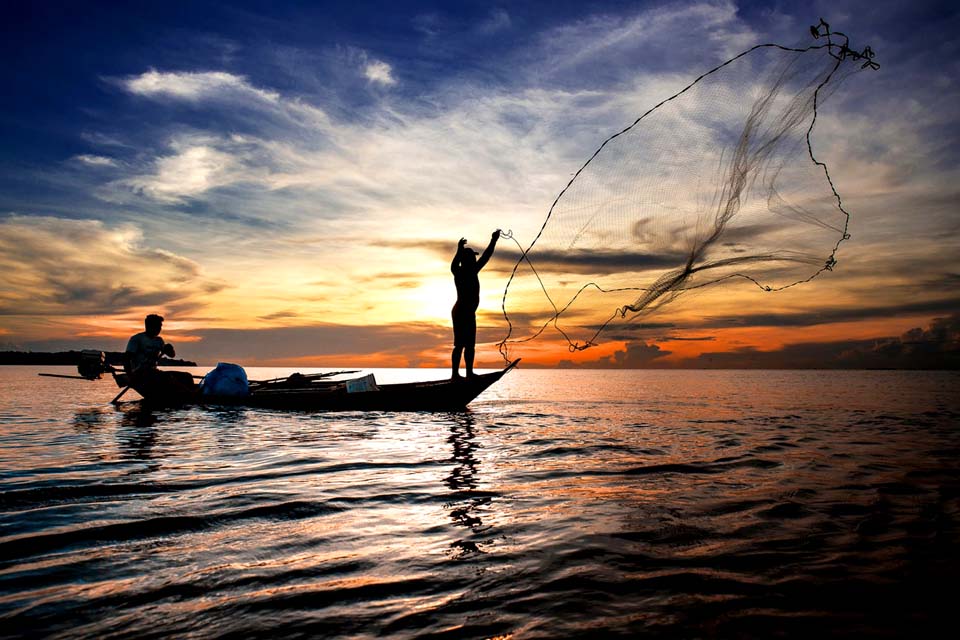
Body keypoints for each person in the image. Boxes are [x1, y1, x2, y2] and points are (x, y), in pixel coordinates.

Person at [451, 230, 500, 378]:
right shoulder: (461, 272)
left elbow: (486, 256)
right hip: (461, 312)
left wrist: (493, 240)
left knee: (469, 345)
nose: (474, 259)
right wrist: (459, 250)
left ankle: (468, 373)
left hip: (467, 313)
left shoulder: (471, 271)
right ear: (467, 260)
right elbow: (485, 256)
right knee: (460, 345)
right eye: (472, 257)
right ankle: (455, 375)